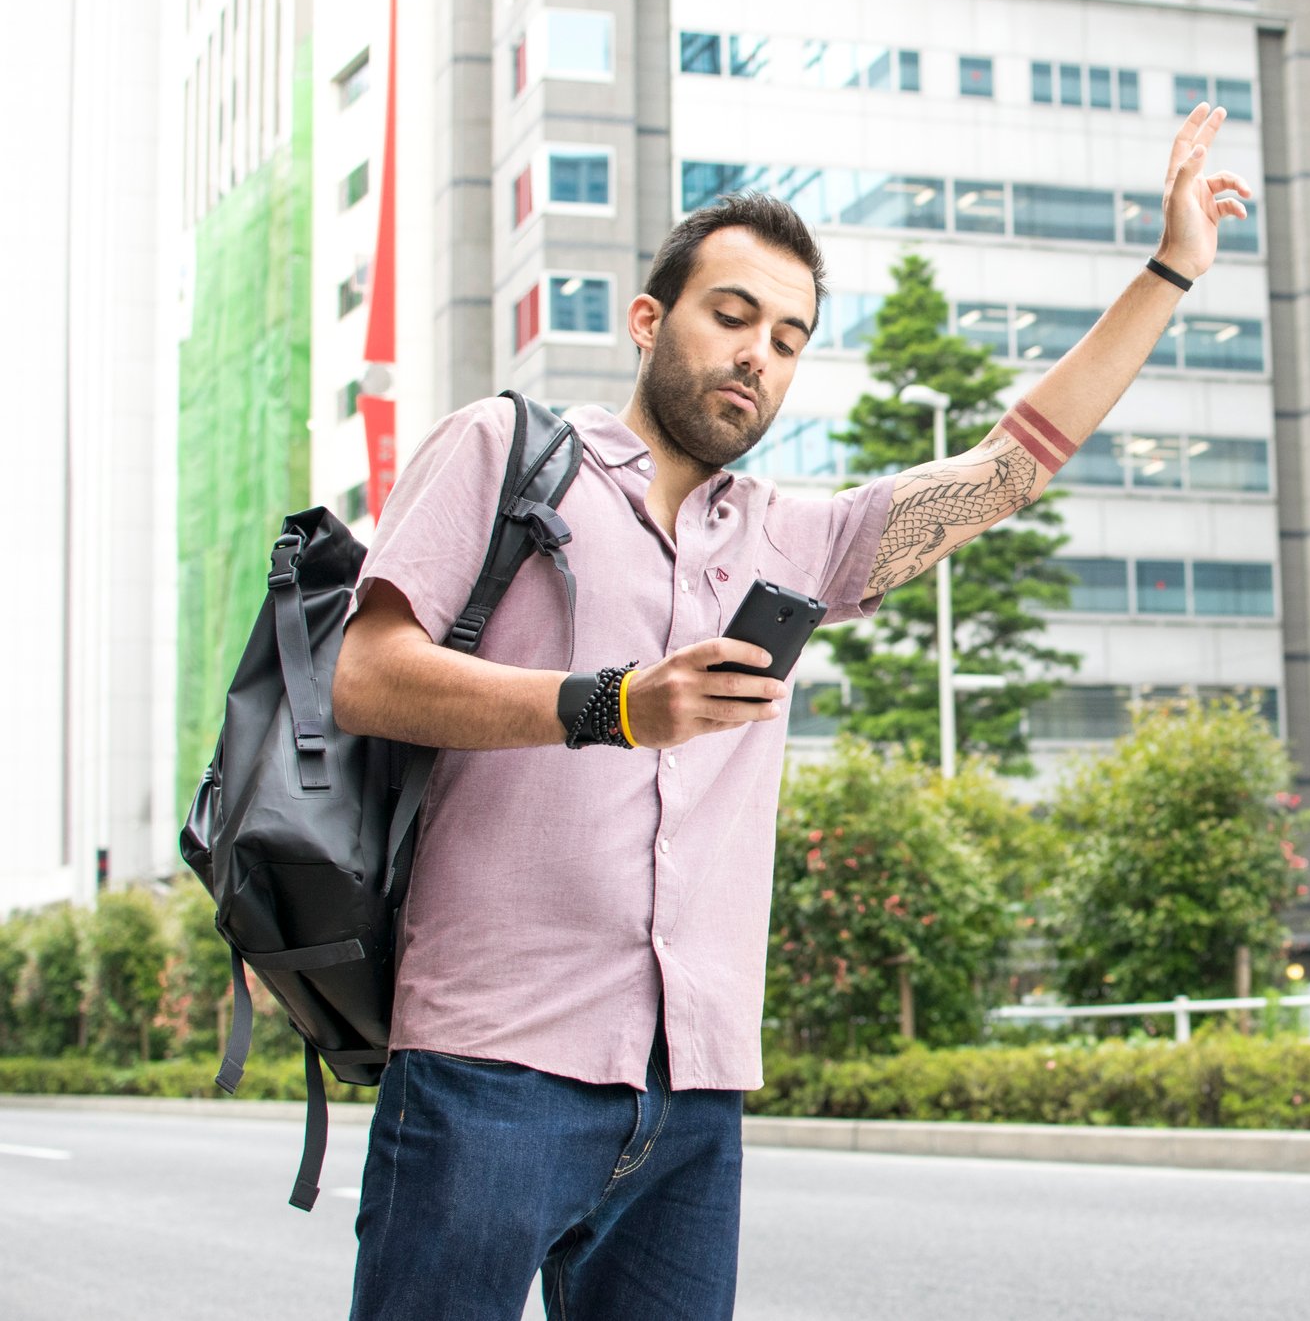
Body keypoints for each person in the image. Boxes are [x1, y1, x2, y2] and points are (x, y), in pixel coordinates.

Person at [330, 103, 1250, 1320]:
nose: (759, 352)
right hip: (492, 1063)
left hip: (693, 1091)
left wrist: (1172, 267)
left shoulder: (791, 538)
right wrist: (610, 706)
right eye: (732, 314)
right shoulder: (504, 448)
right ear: (652, 319)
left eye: (791, 336)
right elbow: (366, 672)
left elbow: (1010, 467)